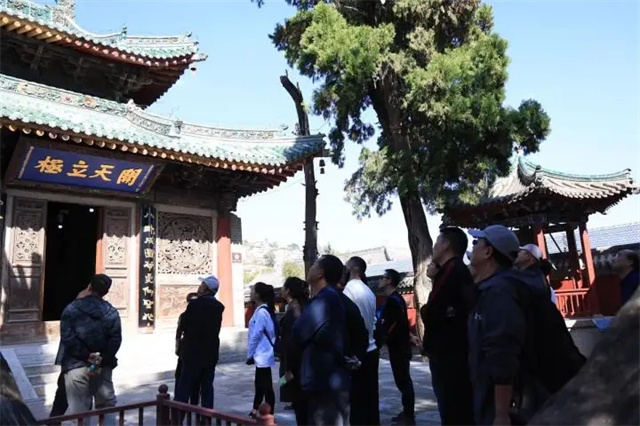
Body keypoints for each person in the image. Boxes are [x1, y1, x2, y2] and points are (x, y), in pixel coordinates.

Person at [467, 225, 548, 426]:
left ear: (488, 252)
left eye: (477, 242)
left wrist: (501, 413)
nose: (473, 246)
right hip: (490, 393)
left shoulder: (499, 292)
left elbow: (503, 353)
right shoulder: (495, 287)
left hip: (503, 402)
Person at [421, 227, 475, 426]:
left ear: (445, 245)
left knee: (454, 408)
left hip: (450, 353)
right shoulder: (448, 271)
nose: (434, 247)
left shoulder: (454, 271)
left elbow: (434, 311)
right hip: (449, 352)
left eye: (437, 242)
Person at [293, 255, 350, 425]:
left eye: (315, 264)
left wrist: (298, 316)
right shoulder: (330, 297)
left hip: (325, 382)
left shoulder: (325, 299)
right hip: (326, 380)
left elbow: (298, 332)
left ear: (320, 273)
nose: (310, 267)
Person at [60, 274, 121, 422]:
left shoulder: (71, 308)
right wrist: (101, 357)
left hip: (76, 364)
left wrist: (87, 355)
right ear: (106, 292)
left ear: (89, 287)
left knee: (79, 410)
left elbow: (67, 338)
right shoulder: (112, 312)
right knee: (106, 406)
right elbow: (115, 339)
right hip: (102, 365)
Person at [174, 276, 224, 409]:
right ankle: (207, 415)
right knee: (207, 386)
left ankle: (178, 415)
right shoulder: (219, 307)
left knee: (185, 387)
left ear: (205, 289)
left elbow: (184, 324)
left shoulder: (195, 305)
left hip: (192, 353)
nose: (199, 287)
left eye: (202, 285)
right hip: (210, 352)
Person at [343, 256, 380, 426]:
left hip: (357, 351)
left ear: (353, 269)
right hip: (372, 349)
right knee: (371, 396)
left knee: (357, 400)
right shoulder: (369, 292)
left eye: (346, 266)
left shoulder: (348, 291)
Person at [377, 269, 416, 426]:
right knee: (403, 380)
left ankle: (408, 413)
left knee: (403, 380)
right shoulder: (396, 299)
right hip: (400, 345)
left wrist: (383, 338)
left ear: (389, 280)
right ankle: (408, 411)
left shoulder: (393, 301)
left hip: (398, 347)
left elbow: (394, 326)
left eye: (382, 277)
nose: (380, 280)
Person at [50, 287, 92, 418]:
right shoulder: (76, 314)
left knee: (74, 395)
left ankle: (55, 420)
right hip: (74, 362)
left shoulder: (73, 312)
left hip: (76, 361)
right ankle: (55, 420)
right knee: (65, 393)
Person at [279, 277, 310, 425]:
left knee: (302, 409)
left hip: (296, 365)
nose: (281, 290)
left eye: (283, 287)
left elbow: (292, 342)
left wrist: (289, 368)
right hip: (306, 363)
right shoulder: (305, 306)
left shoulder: (294, 311)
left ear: (288, 290)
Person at [246, 282, 277, 419]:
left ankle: (269, 413)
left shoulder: (262, 313)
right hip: (262, 354)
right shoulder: (261, 311)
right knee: (260, 384)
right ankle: (255, 409)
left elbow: (256, 335)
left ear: (258, 294)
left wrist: (249, 354)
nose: (251, 292)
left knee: (266, 386)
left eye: (253, 290)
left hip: (263, 353)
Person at [175, 292, 200, 405]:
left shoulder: (202, 316)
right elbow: (178, 333)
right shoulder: (184, 315)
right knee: (181, 377)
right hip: (185, 352)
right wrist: (178, 348)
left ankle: (193, 403)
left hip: (196, 352)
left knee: (195, 380)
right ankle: (180, 402)